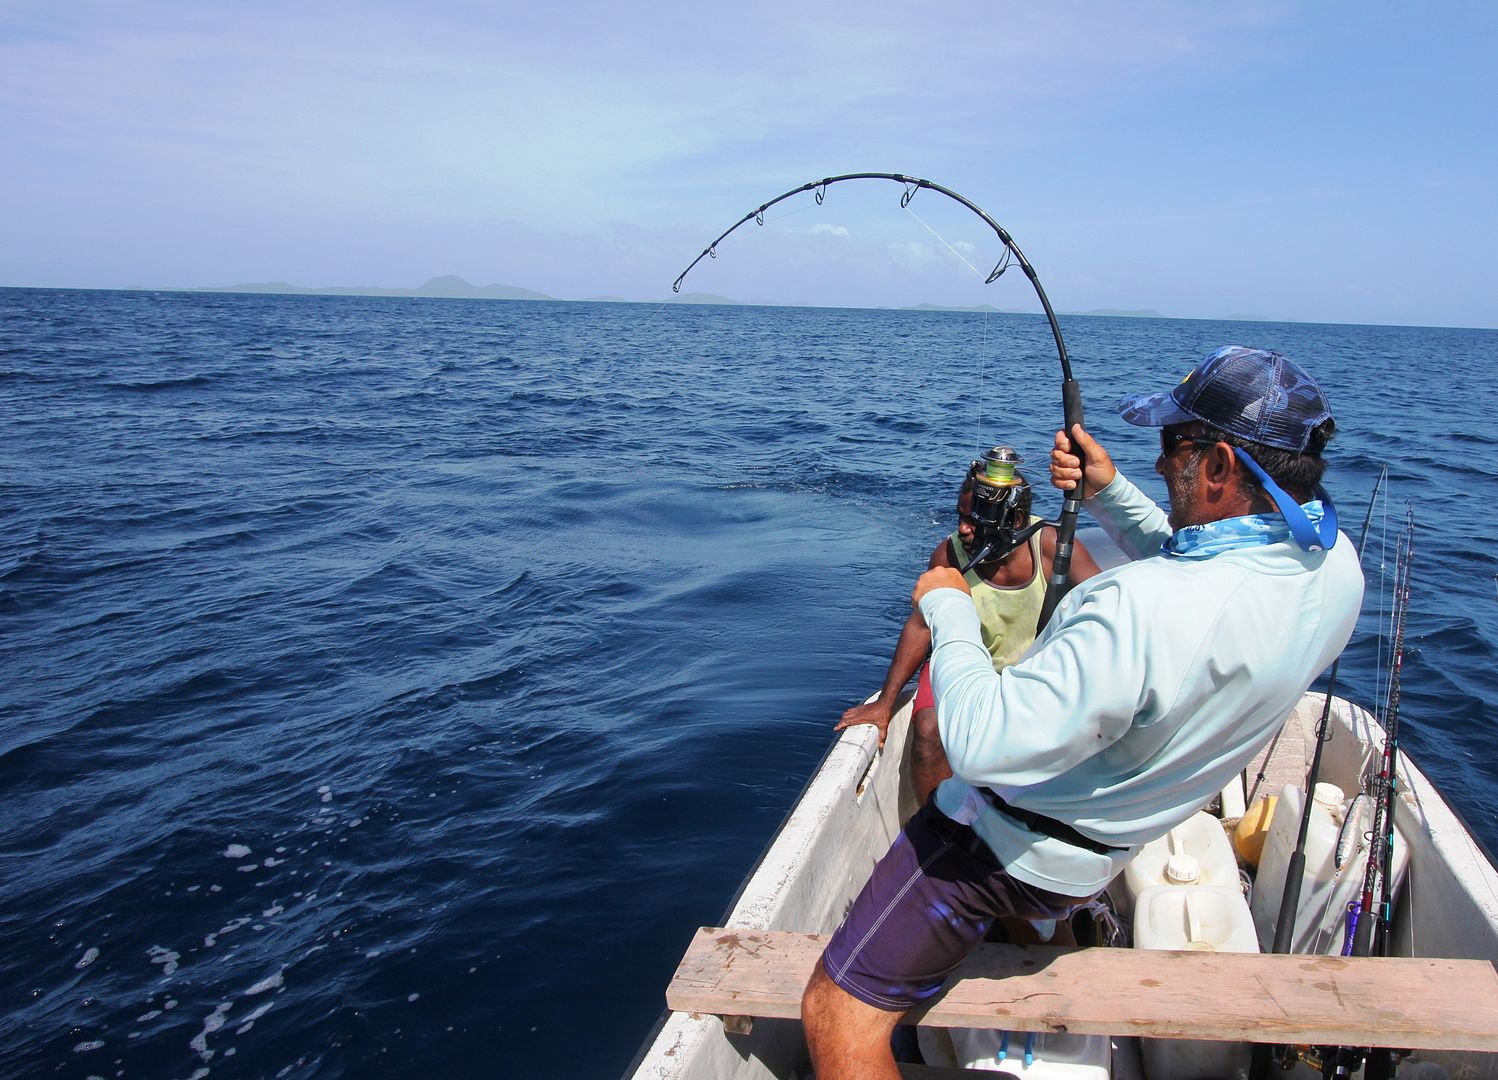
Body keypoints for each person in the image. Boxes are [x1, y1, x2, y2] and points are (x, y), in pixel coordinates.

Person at [801, 345, 1365, 1080]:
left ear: (1222, 467)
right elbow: (1210, 569)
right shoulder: (1335, 569)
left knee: (837, 1008)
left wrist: (948, 604)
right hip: (1110, 848)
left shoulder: (1133, 608)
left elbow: (980, 745)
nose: (1162, 464)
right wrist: (1109, 490)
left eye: (1174, 447)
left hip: (999, 851)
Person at [836, 455, 1100, 804]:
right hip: (962, 665)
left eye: (976, 520)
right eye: (961, 517)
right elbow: (920, 627)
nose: (963, 529)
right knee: (929, 728)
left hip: (1030, 672)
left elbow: (1108, 607)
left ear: (1016, 519)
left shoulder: (1052, 548)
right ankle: (936, 828)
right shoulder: (950, 555)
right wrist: (885, 704)